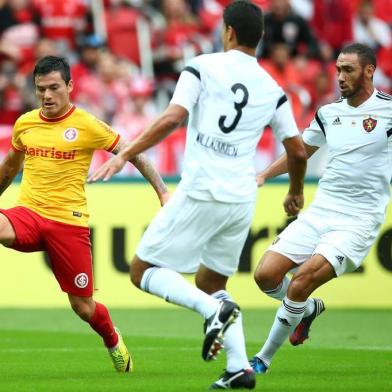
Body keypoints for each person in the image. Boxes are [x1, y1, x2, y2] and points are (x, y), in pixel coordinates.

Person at [89, 1, 307, 389]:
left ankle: (211, 312)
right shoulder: (274, 89)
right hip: (241, 198)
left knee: (142, 271)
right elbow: (297, 150)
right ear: (258, 38)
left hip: (202, 187)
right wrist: (293, 192)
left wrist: (124, 154)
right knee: (212, 283)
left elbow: (173, 117)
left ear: (228, 31)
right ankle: (238, 368)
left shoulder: (203, 66)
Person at [0, 56, 169, 373]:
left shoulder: (87, 125)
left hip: (68, 224)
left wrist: (162, 191)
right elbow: (10, 166)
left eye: (53, 88)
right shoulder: (26, 123)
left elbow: (134, 154)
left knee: (82, 306)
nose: (47, 96)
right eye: (40, 90)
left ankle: (112, 338)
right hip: (29, 213)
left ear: (69, 86)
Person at [249, 43, 392, 374]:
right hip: (321, 211)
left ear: (369, 71)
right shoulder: (329, 113)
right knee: (265, 275)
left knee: (300, 281)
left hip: (358, 221)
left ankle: (262, 361)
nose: (340, 77)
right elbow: (301, 151)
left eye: (349, 70)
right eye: (338, 69)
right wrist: (263, 174)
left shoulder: (388, 111)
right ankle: (307, 310)